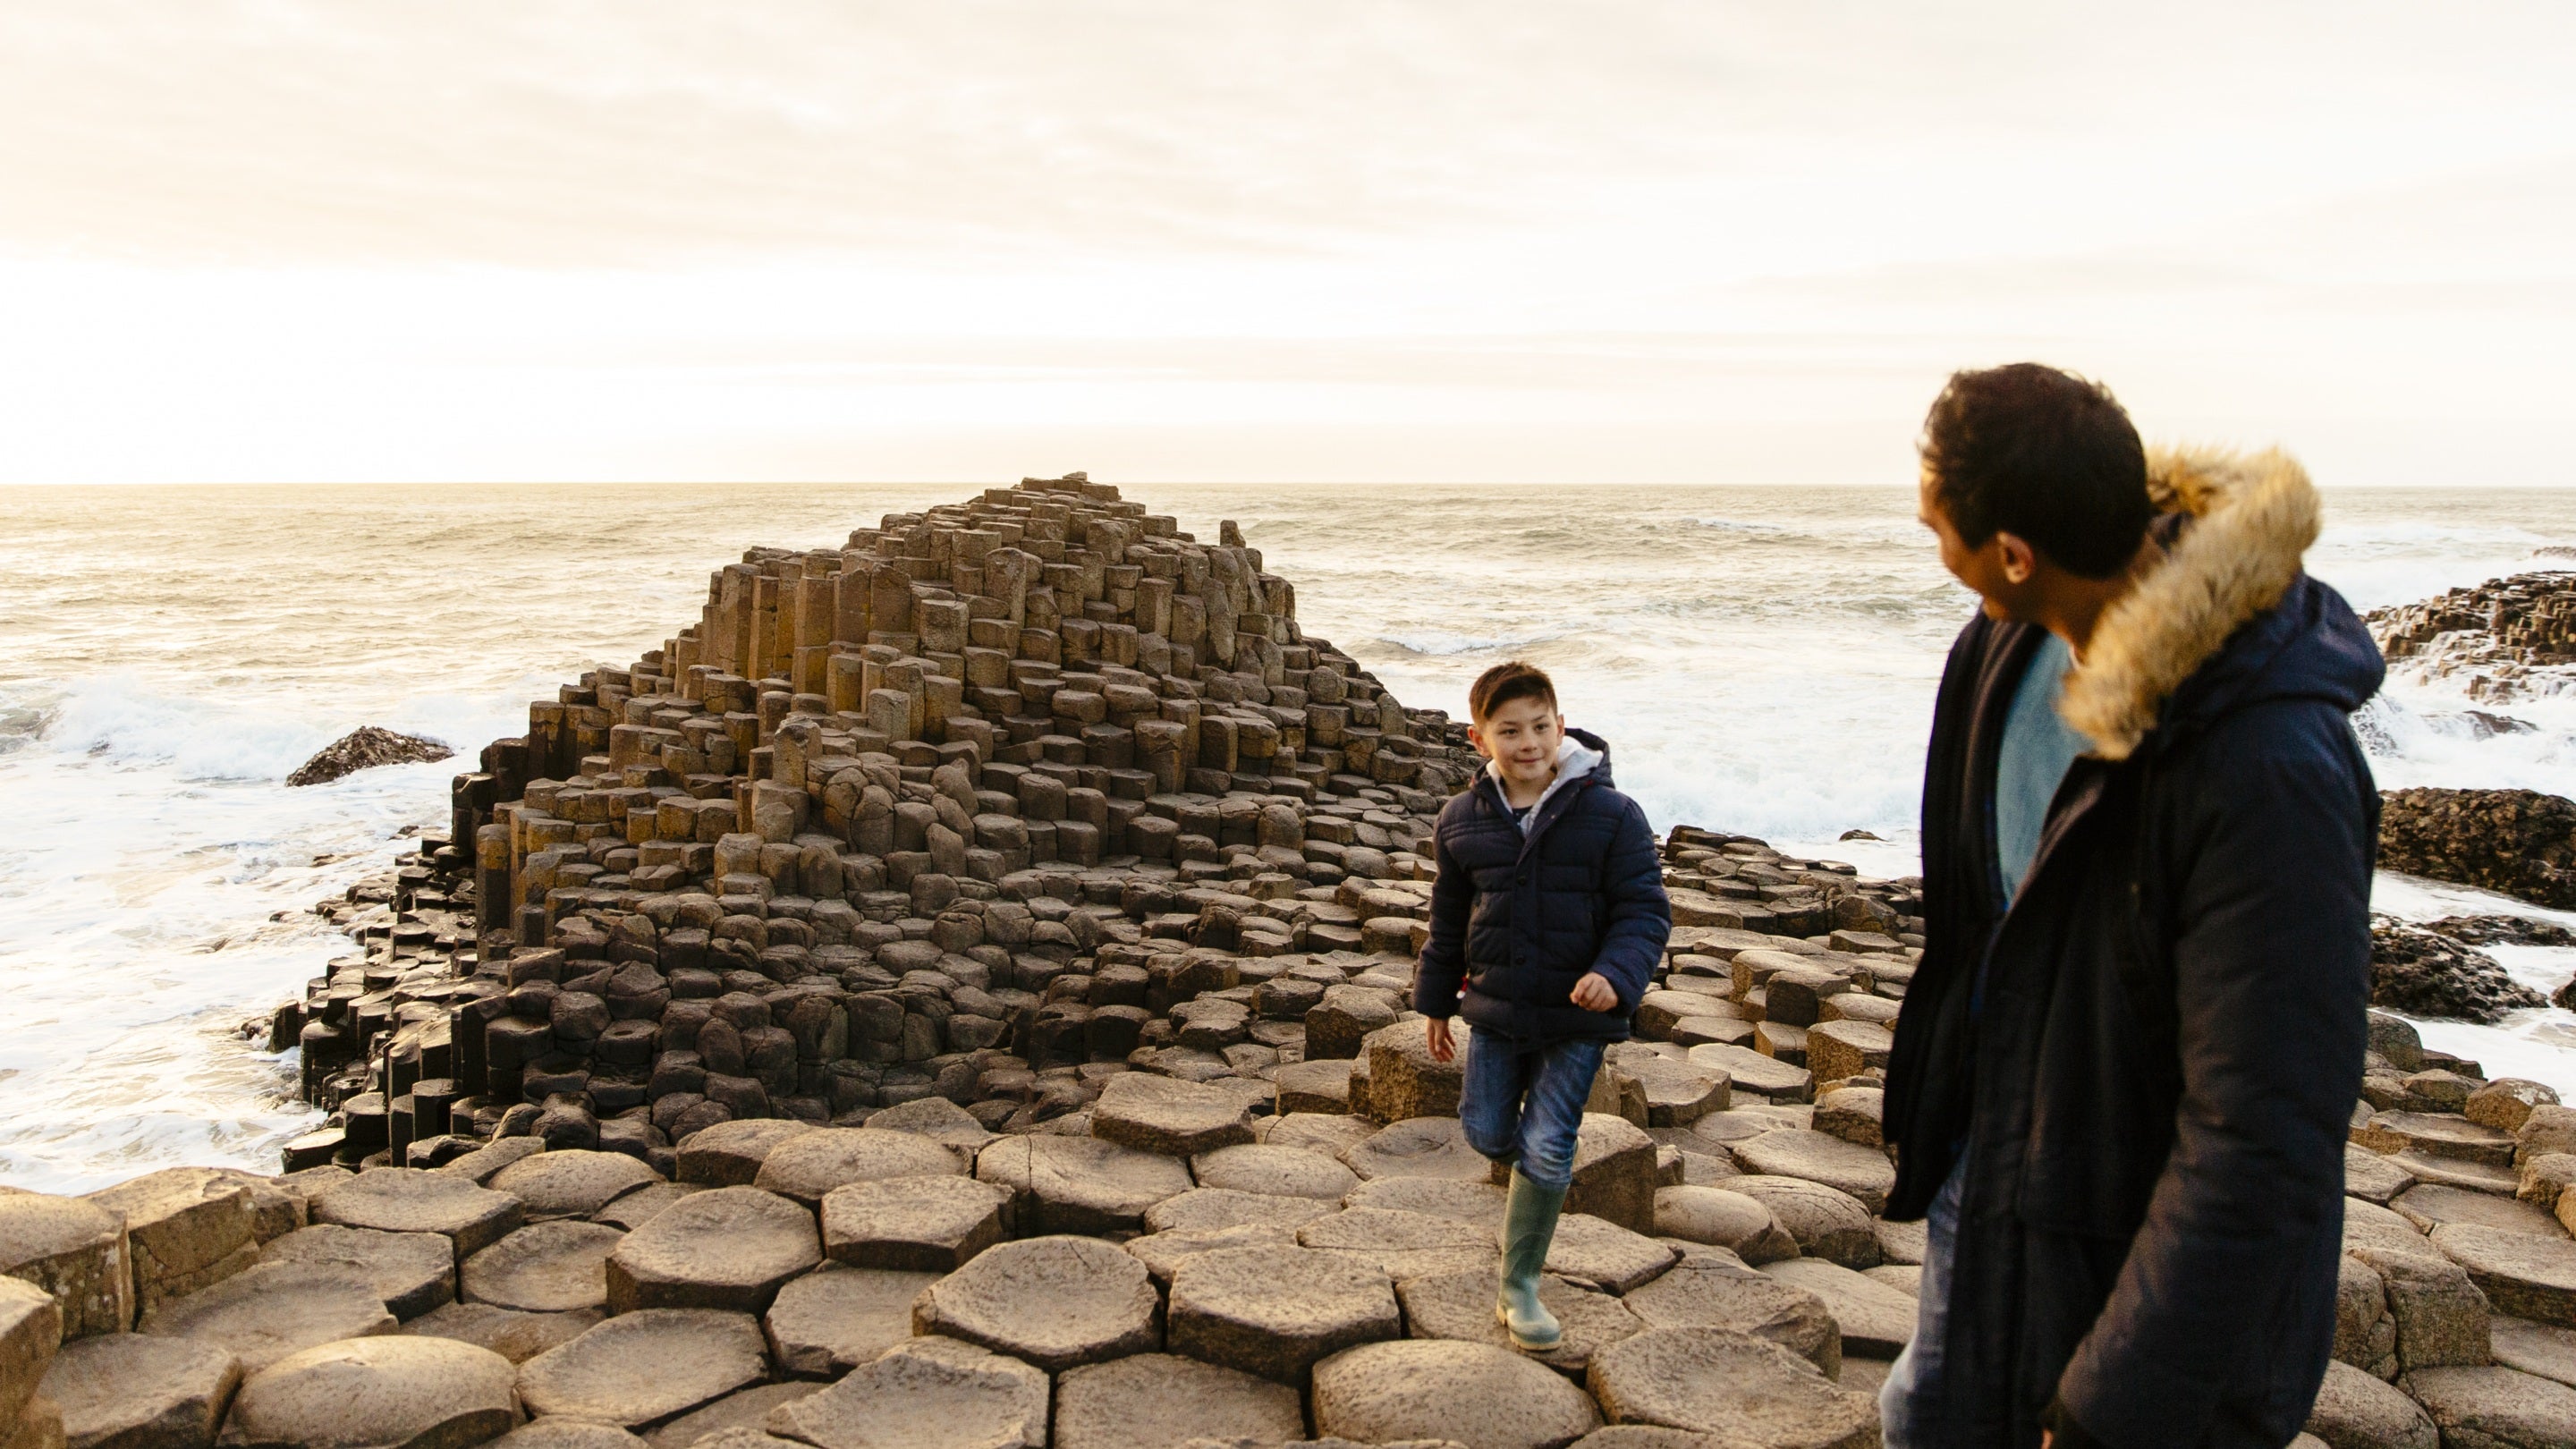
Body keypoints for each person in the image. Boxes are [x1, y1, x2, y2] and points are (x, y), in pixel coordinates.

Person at [1880, 363, 2384, 1448]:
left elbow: (2262, 1129)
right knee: (1922, 1414)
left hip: (2132, 1234)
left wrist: (2120, 1395)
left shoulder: (2265, 763)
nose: (1935, 552)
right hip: (2004, 1159)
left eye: (1939, 530)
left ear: (2014, 552)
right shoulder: (2003, 642)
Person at [1414, 660, 1670, 1351]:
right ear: (1479, 740)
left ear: (1560, 726)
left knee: (1550, 1146)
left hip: (1577, 1013)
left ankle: (1518, 1286)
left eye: (1539, 727)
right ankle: (1527, 1167)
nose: (1527, 742)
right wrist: (1435, 1004)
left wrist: (1615, 974)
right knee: (1487, 1133)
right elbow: (1447, 921)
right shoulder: (1462, 820)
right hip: (1496, 1008)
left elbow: (1644, 910)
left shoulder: (1612, 815)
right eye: (1509, 731)